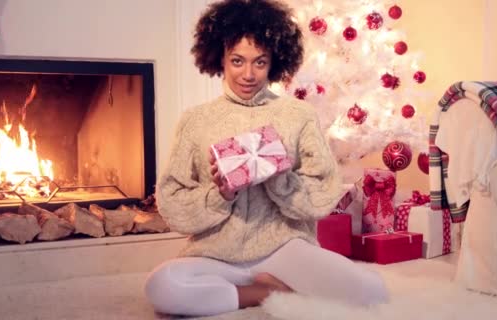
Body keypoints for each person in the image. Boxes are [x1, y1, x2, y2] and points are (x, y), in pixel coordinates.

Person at [144, 0, 389, 316]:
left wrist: (280, 178)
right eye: (237, 61)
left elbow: (324, 190)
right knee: (161, 287)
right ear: (220, 57)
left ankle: (255, 289)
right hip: (216, 253)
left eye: (259, 63)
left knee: (373, 291)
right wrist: (221, 194)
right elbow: (172, 199)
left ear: (274, 61)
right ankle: (264, 292)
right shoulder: (196, 120)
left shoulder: (298, 115)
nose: (248, 74)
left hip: (283, 249)